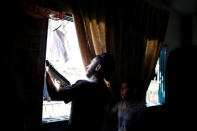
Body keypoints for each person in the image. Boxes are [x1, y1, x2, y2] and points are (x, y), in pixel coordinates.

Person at [46, 53, 115, 131]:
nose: (87, 66)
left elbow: (54, 94)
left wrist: (46, 71)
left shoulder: (83, 86)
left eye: (91, 63)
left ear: (98, 67)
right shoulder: (106, 91)